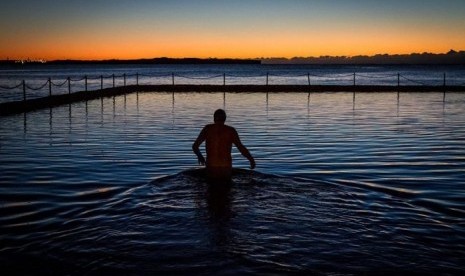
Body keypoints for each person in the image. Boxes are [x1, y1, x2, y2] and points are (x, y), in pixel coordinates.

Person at [192, 109, 255, 181]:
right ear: (225, 119)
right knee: (226, 189)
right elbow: (241, 148)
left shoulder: (207, 129)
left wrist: (200, 156)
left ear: (214, 118)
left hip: (211, 166)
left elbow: (195, 146)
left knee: (211, 189)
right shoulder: (231, 131)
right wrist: (251, 159)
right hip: (226, 167)